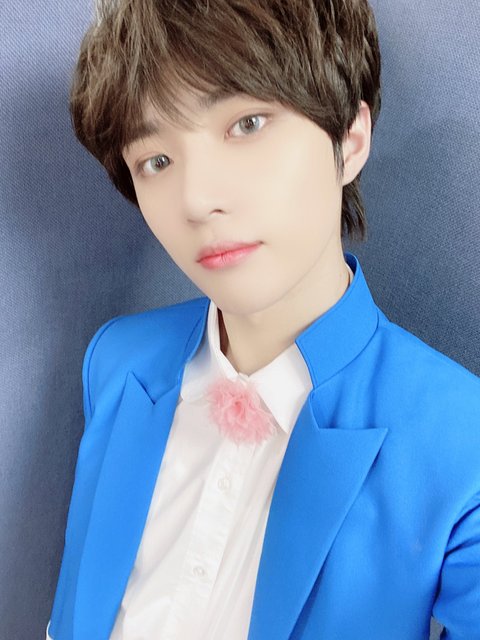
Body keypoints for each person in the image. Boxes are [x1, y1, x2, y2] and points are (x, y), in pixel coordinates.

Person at [47, 0, 480, 638]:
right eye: (156, 161)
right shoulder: (118, 361)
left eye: (247, 124)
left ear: (349, 139)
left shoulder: (461, 440)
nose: (197, 200)